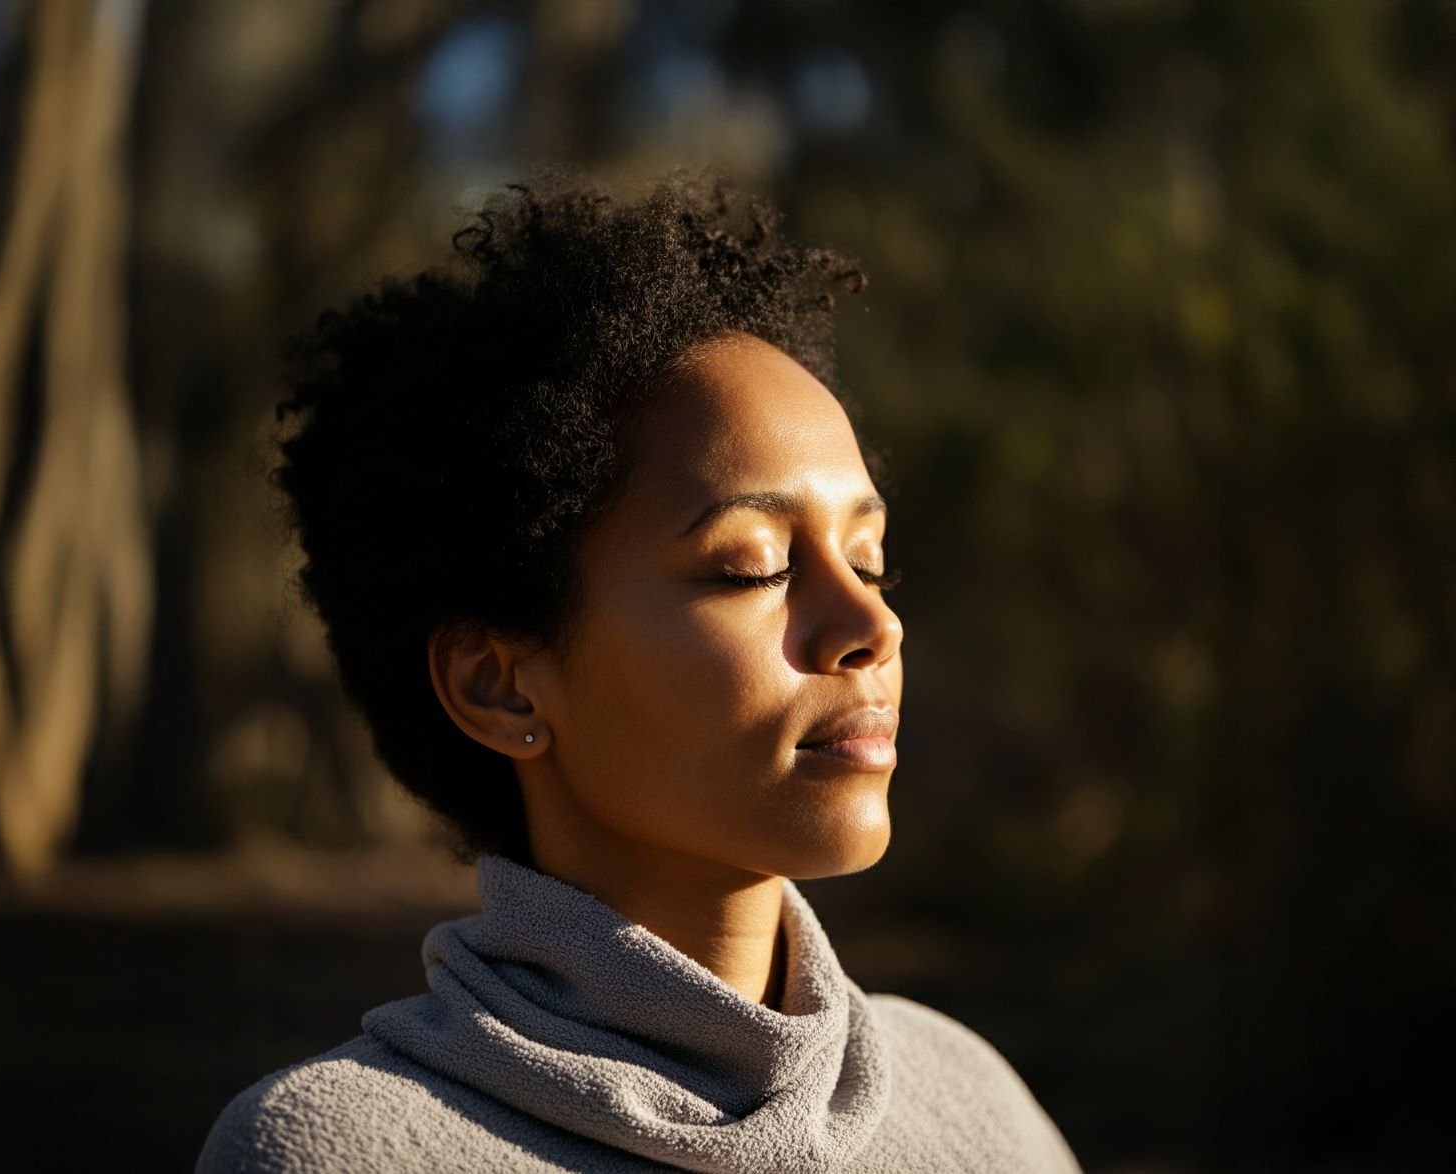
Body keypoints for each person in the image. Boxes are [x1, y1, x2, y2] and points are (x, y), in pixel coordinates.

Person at [196, 174, 1080, 1173]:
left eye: (870, 560)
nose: (870, 622)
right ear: (501, 684)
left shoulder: (972, 1108)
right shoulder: (339, 1152)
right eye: (753, 565)